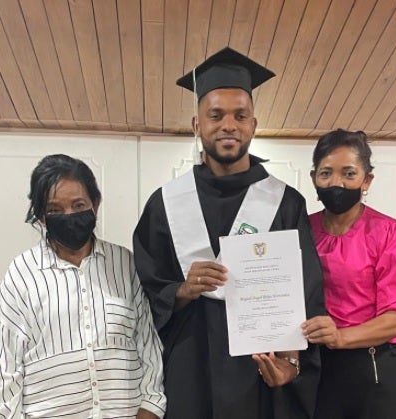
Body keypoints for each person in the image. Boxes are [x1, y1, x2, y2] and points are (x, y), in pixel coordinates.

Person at [133, 47, 325, 419]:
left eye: (240, 115)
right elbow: (144, 290)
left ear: (253, 124)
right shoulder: (165, 204)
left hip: (259, 368)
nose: (228, 125)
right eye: (215, 115)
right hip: (189, 368)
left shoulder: (284, 203)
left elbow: (305, 292)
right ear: (197, 125)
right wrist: (181, 291)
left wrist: (291, 364)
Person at [0, 154, 166, 419]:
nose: (68, 216)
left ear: (95, 204)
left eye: (78, 205)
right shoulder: (21, 276)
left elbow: (149, 345)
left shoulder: (124, 264)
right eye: (55, 210)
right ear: (41, 216)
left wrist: (150, 406)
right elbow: (1, 372)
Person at [301, 129, 396, 418]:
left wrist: (339, 337)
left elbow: (394, 321)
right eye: (326, 173)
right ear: (313, 177)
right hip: (315, 366)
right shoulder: (301, 230)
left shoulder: (391, 233)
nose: (336, 183)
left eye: (349, 173)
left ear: (367, 180)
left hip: (373, 367)